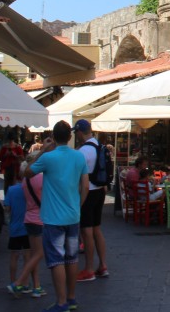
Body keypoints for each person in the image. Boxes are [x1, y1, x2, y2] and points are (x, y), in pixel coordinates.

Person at [25, 120, 89, 312]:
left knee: (56, 260)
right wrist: (78, 205)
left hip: (53, 217)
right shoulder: (79, 157)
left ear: (53, 137)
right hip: (73, 215)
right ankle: (71, 298)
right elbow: (85, 186)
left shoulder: (48, 158)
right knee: (72, 258)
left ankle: (61, 302)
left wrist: (43, 150)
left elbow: (27, 172)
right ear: (70, 137)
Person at [73, 119, 109, 282]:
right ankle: (102, 265)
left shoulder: (82, 152)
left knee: (86, 231)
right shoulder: (100, 146)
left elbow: (81, 181)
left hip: (88, 192)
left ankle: (88, 269)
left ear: (80, 132)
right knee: (97, 229)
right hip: (100, 191)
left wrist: (80, 201)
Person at [8, 154, 46, 298]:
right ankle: (19, 282)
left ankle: (36, 285)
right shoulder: (41, 179)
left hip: (28, 219)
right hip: (39, 219)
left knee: (33, 254)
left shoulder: (25, 181)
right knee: (38, 254)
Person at [3, 179, 40, 296]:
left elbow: (7, 208)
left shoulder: (11, 189)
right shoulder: (30, 188)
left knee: (14, 255)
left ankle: (13, 281)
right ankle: (24, 283)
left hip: (15, 227)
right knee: (28, 255)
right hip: (27, 225)